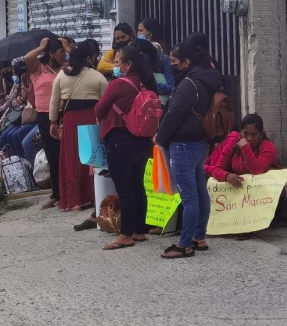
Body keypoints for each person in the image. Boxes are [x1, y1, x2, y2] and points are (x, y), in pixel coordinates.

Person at [155, 41, 223, 259]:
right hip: (199, 142)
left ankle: (185, 244)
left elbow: (174, 114)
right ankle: (199, 237)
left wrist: (160, 137)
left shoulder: (188, 84)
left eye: (174, 62)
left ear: (187, 61)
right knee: (200, 193)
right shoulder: (206, 80)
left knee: (189, 197)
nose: (171, 65)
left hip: (183, 144)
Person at [94, 41, 159, 249]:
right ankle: (140, 230)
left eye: (118, 61)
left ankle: (126, 234)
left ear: (129, 64)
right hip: (142, 141)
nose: (115, 65)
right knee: (138, 186)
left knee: (125, 190)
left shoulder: (118, 84)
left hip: (119, 140)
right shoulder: (146, 82)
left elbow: (99, 109)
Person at [49, 41, 107, 212]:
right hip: (91, 119)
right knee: (92, 156)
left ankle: (74, 200)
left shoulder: (61, 75)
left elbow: (54, 101)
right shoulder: (97, 77)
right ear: (89, 58)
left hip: (70, 120)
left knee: (72, 157)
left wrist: (52, 122)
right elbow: (106, 102)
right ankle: (93, 195)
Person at [24, 38, 67, 209]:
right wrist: (40, 47)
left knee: (68, 154)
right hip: (45, 116)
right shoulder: (38, 68)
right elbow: (28, 58)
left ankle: (70, 191)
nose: (64, 55)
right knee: (53, 154)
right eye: (61, 52)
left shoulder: (66, 68)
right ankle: (56, 193)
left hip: (64, 113)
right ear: (51, 54)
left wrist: (68, 48)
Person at [205, 114, 278, 185]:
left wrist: (245, 146)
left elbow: (257, 170)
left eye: (254, 134)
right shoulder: (233, 144)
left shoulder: (268, 147)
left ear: (261, 134)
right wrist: (227, 176)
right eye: (245, 133)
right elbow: (217, 170)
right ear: (240, 132)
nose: (249, 138)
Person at [136, 18, 174, 103]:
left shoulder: (164, 59)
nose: (138, 34)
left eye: (141, 31)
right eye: (138, 31)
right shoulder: (137, 55)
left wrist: (151, 84)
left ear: (150, 32)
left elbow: (172, 87)